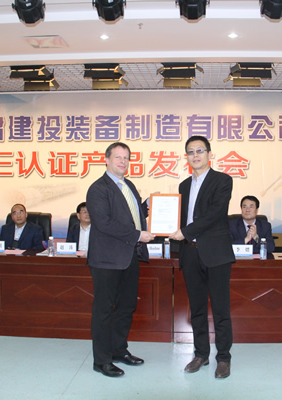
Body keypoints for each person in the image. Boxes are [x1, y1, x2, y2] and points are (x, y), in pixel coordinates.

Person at [86, 142, 155, 378]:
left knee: (126, 307)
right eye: (118, 157)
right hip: (107, 259)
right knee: (104, 310)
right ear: (106, 159)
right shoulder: (98, 188)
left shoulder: (129, 185)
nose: (123, 161)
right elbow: (104, 223)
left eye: (126, 157)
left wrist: (150, 206)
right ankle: (101, 360)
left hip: (129, 256)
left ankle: (118, 350)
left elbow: (132, 215)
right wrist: (137, 235)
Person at [168, 135, 235, 379]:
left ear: (209, 154)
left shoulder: (222, 180)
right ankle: (201, 354)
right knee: (196, 308)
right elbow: (180, 216)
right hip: (190, 253)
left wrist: (185, 231)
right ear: (186, 157)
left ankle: (223, 357)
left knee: (220, 309)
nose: (195, 155)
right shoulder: (184, 186)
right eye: (190, 151)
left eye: (200, 150)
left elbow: (215, 214)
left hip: (216, 253)